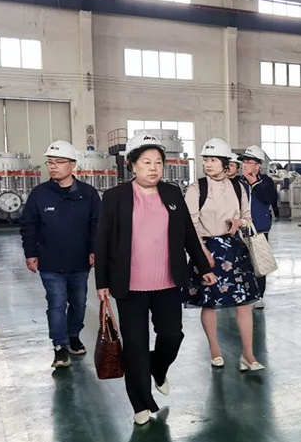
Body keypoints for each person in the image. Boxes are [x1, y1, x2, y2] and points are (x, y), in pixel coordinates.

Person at [95, 133, 214, 426]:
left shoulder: (172, 194)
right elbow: (103, 241)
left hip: (168, 283)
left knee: (172, 335)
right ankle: (141, 403)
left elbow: (188, 235)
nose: (153, 168)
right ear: (132, 165)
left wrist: (203, 267)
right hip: (130, 285)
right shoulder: (115, 197)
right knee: (135, 345)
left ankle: (158, 368)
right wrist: (102, 282)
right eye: (146, 162)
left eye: (158, 162)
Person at [20, 140, 101, 369]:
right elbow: (28, 226)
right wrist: (30, 253)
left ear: (73, 165)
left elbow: (97, 225)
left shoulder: (88, 194)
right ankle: (60, 347)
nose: (53, 166)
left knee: (79, 303)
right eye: (50, 162)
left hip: (79, 261)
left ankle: (73, 335)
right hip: (50, 262)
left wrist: (95, 249)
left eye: (59, 162)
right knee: (56, 304)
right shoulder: (40, 194)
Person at [185, 138, 264, 371]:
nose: (208, 164)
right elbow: (190, 224)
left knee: (244, 303)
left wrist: (239, 222)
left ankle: (248, 354)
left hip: (234, 250)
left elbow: (248, 218)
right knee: (209, 303)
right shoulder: (197, 188)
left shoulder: (238, 188)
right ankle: (214, 349)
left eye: (213, 160)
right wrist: (201, 254)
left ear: (225, 163)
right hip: (206, 248)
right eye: (206, 160)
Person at [239, 145, 279, 310]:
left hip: (259, 231)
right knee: (240, 264)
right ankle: (241, 295)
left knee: (259, 264)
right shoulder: (238, 182)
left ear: (258, 166)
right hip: (239, 230)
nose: (245, 165)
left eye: (249, 162)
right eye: (244, 162)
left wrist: (254, 183)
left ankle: (258, 296)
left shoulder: (266, 182)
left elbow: (269, 199)